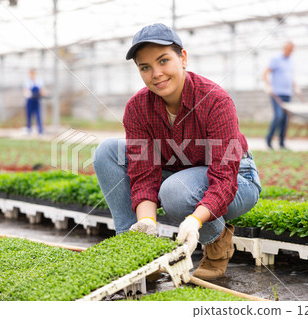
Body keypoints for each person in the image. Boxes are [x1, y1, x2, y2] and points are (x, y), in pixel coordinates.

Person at [93, 23, 262, 280]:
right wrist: (147, 222)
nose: (156, 73)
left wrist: (195, 221)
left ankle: (217, 242)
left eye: (163, 61)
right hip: (178, 175)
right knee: (107, 151)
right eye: (145, 67)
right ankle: (138, 250)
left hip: (238, 180)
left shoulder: (215, 101)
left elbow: (224, 177)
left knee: (176, 190)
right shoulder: (138, 108)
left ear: (182, 58)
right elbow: (144, 171)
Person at [263, 41, 298, 150]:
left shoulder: (291, 62)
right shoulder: (276, 59)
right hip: (277, 94)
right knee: (278, 116)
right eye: (288, 49)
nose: (290, 52)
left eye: (292, 50)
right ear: (284, 48)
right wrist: (268, 86)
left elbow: (289, 77)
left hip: (287, 94)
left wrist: (296, 86)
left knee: (285, 119)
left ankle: (282, 143)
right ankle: (269, 140)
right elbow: (265, 73)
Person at [23, 68, 45, 135]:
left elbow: (41, 90)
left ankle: (40, 130)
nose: (32, 75)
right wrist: (29, 94)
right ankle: (29, 129)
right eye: (31, 73)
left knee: (38, 115)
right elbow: (25, 90)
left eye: (33, 73)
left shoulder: (39, 81)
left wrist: (43, 93)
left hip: (36, 100)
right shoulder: (27, 81)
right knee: (29, 115)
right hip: (30, 100)